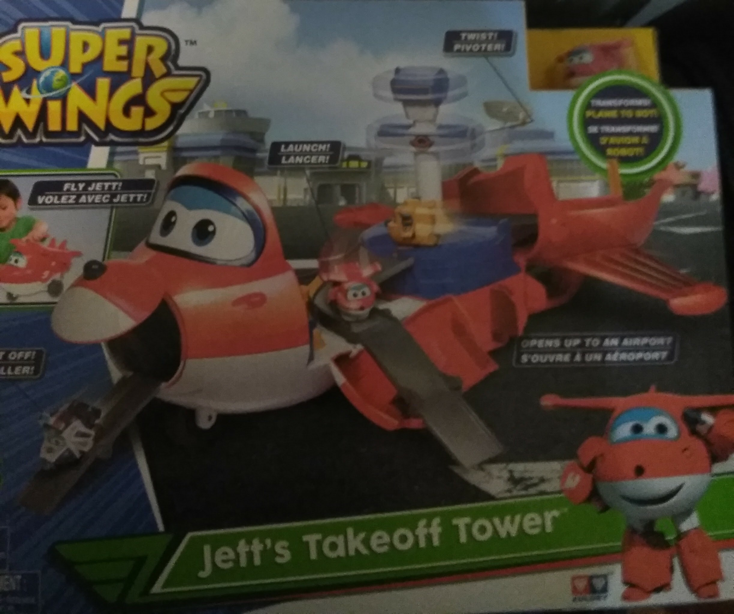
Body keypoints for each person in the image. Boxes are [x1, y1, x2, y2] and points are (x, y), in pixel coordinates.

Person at [0, 179, 48, 264]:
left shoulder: (25, 223)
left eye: (3, 208)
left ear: (18, 203)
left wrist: (37, 232)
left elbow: (42, 225)